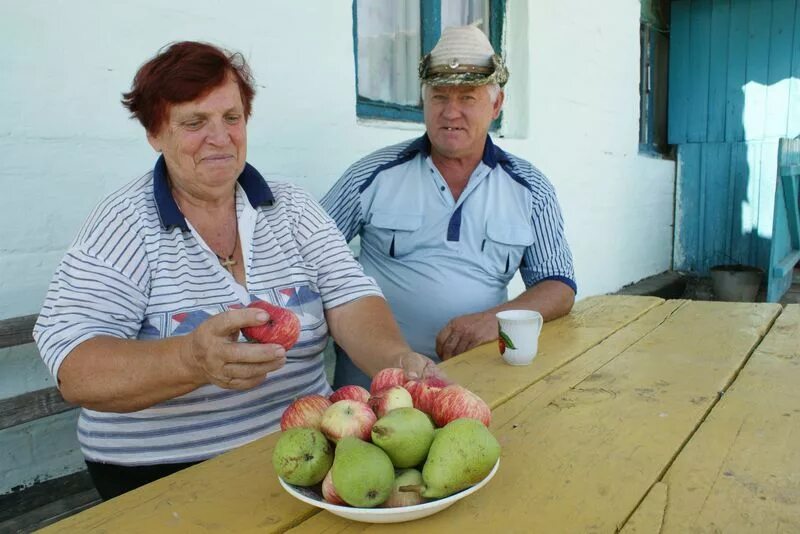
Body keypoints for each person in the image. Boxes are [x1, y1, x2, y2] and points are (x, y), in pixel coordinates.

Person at [33, 41, 435, 500]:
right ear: (155, 134)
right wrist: (191, 360)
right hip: (162, 479)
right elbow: (75, 368)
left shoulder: (292, 208)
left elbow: (349, 298)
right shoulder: (124, 224)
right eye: (193, 122)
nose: (220, 136)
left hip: (306, 453)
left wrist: (397, 361)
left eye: (231, 118)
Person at [322, 26, 576, 389]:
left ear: (496, 104)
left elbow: (558, 284)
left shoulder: (530, 188)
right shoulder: (372, 175)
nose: (451, 113)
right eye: (439, 97)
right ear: (423, 101)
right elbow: (306, 256)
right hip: (373, 390)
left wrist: (495, 320)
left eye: (468, 98)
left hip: (476, 385)